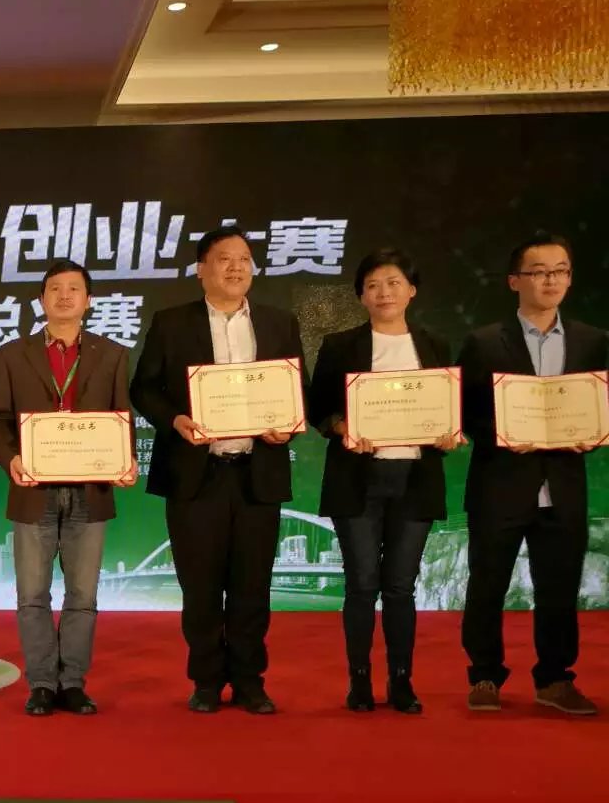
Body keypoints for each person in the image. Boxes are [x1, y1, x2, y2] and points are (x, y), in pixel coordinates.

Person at [129, 226, 305, 715]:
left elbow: (298, 390)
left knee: (252, 586)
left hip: (257, 473)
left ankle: (250, 681)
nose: (236, 267)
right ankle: (206, 680)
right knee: (200, 586)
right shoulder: (171, 323)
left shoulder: (279, 323)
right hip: (195, 473)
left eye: (244, 259)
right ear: (201, 269)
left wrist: (287, 428)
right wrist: (175, 421)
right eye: (224, 258)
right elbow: (144, 389)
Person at [458, 234, 608, 716]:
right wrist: (503, 433)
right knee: (487, 584)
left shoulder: (593, 341)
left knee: (559, 587)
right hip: (500, 483)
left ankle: (555, 679)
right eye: (539, 272)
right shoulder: (484, 342)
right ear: (514, 281)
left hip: (563, 485)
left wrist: (593, 434)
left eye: (560, 271)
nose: (551, 280)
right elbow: (463, 412)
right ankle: (484, 675)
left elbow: (600, 406)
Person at [307, 248, 457, 714]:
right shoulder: (340, 345)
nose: (383, 292)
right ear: (361, 296)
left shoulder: (434, 345)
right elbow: (317, 409)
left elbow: (449, 408)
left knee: (400, 587)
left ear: (411, 290)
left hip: (416, 478)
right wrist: (341, 426)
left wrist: (450, 433)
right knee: (361, 585)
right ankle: (358, 681)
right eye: (372, 285)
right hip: (357, 479)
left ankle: (401, 680)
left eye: (393, 283)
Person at [0, 258, 132, 716]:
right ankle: (42, 683)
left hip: (91, 489)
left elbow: (119, 418)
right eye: (55, 289)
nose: (64, 296)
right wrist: (10, 458)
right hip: (33, 490)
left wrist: (123, 460)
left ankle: (73, 682)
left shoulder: (113, 354)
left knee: (82, 596)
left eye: (74, 289)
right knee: (32, 595)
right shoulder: (11, 355)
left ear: (88, 300)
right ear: (42, 299)